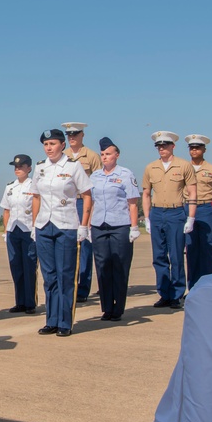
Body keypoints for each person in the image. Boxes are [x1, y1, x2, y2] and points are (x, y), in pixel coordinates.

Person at [32, 129, 92, 337]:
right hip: (44, 226)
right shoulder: (40, 168)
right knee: (49, 277)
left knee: (65, 275)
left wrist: (84, 225)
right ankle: (52, 319)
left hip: (66, 225)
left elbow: (86, 195)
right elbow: (36, 197)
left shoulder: (73, 167)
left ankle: (65, 321)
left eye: (53, 144)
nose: (49, 148)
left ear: (62, 145)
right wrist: (34, 225)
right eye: (46, 144)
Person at [142, 131, 197, 310]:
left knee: (175, 255)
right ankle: (163, 293)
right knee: (159, 256)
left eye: (165, 145)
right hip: (157, 213)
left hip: (176, 213)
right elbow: (146, 193)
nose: (162, 149)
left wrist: (191, 216)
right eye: (159, 146)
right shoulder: (151, 167)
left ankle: (176, 294)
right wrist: (148, 217)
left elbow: (192, 192)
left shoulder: (183, 166)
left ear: (173, 146)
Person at [89, 137, 141, 321]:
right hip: (98, 226)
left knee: (119, 266)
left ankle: (118, 307)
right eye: (102, 154)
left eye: (108, 154)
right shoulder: (95, 176)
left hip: (120, 225)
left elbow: (133, 203)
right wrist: (88, 225)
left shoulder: (126, 174)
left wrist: (134, 227)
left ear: (117, 155)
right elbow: (92, 202)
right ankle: (106, 307)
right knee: (102, 266)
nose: (105, 157)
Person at [62, 122, 101, 302]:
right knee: (67, 246)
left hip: (84, 202)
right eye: (69, 134)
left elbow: (98, 184)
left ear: (82, 135)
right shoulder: (63, 156)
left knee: (85, 247)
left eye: (75, 134)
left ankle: (83, 289)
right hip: (66, 203)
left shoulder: (92, 156)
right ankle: (70, 285)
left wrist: (93, 212)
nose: (72, 137)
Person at [184, 134, 212, 288]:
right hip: (187, 208)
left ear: (204, 149)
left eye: (198, 147)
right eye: (191, 147)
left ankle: (208, 284)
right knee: (191, 248)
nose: (194, 150)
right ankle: (193, 286)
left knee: (207, 248)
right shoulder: (183, 168)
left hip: (205, 208)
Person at [0, 154, 37, 314]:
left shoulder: (34, 186)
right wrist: (5, 231)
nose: (18, 169)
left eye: (21, 167)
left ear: (29, 168)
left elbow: (37, 208)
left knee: (29, 266)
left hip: (28, 230)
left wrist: (36, 227)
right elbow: (6, 210)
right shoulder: (10, 187)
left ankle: (30, 303)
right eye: (16, 167)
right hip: (13, 230)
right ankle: (19, 302)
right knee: (16, 266)